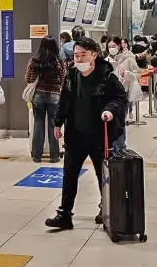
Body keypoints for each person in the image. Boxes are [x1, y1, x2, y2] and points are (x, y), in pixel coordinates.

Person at [45, 37, 127, 229]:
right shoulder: (72, 75)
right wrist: (58, 123)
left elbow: (119, 97)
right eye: (76, 55)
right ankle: (65, 214)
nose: (79, 59)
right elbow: (63, 101)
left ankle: (106, 209)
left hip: (99, 134)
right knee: (69, 174)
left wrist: (109, 110)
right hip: (76, 133)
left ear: (94, 55)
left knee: (102, 174)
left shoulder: (106, 76)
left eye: (83, 55)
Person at [25, 37, 67, 163]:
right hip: (54, 96)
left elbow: (29, 78)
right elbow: (62, 80)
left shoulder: (34, 61)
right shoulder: (59, 62)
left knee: (38, 123)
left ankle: (36, 156)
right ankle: (54, 156)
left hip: (38, 95)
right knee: (54, 125)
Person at [106, 36, 141, 137]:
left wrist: (127, 74)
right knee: (111, 121)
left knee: (120, 121)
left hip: (123, 93)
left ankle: (120, 147)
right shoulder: (106, 61)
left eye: (114, 46)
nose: (112, 49)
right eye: (110, 47)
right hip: (109, 94)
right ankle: (112, 147)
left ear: (119, 46)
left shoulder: (129, 59)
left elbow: (138, 74)